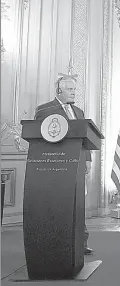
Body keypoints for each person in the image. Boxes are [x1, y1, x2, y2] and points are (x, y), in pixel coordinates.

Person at [34, 74, 94, 255]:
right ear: (59, 91)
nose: (74, 93)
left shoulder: (79, 112)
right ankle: (56, 243)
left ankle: (81, 244)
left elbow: (85, 138)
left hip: (77, 164)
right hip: (56, 166)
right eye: (70, 89)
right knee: (58, 205)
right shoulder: (44, 110)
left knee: (78, 204)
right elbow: (38, 137)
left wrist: (88, 159)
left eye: (75, 89)